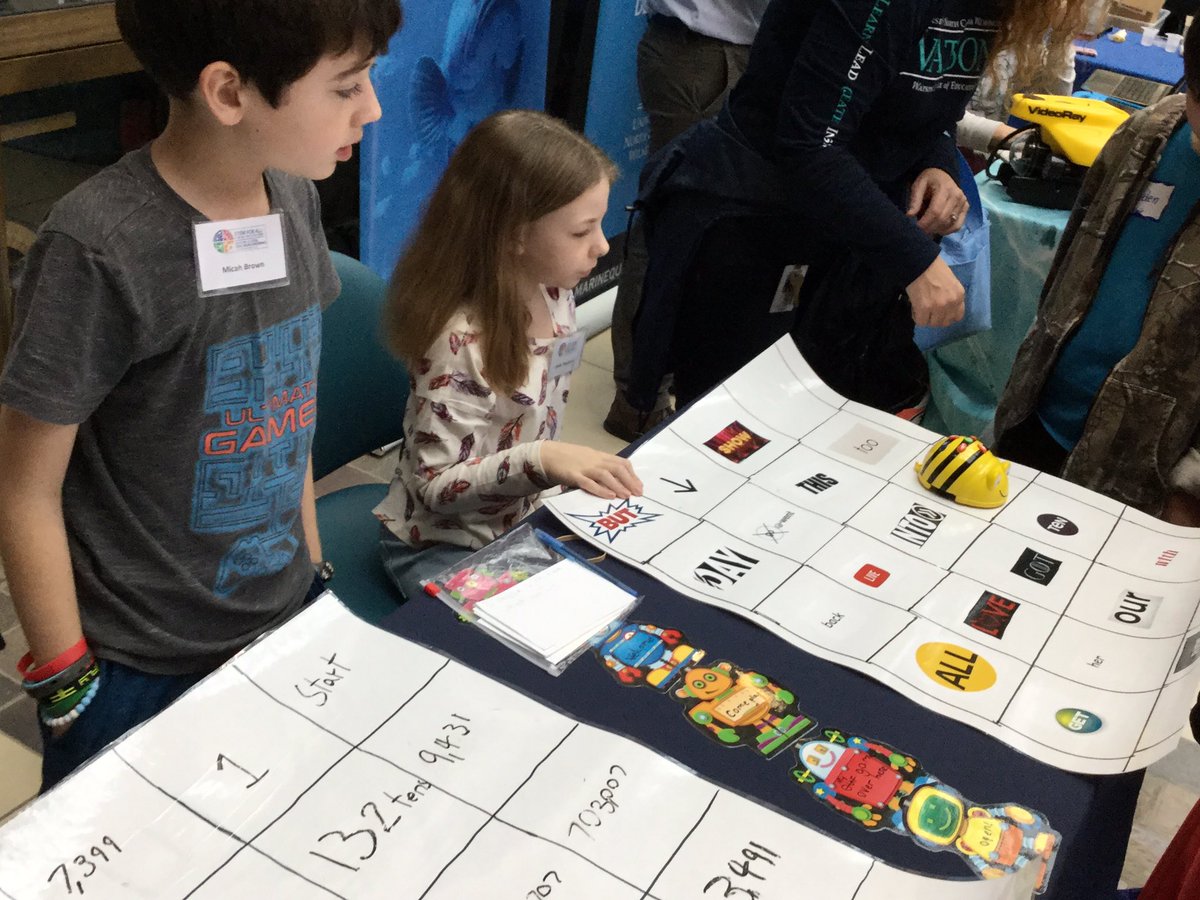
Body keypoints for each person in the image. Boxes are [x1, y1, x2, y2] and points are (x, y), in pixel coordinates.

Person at [0, 0, 401, 791]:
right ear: (228, 93)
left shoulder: (294, 196)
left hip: (283, 620)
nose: (373, 109)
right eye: (347, 87)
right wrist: (69, 682)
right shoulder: (98, 248)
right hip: (137, 669)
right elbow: (22, 486)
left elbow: (289, 408)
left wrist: (313, 578)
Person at [621, 0, 1091, 419]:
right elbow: (810, 144)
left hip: (844, 236)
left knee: (819, 422)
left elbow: (922, 104)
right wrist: (915, 260)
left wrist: (937, 161)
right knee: (733, 427)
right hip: (760, 220)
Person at [375, 111, 644, 601]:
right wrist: (541, 460)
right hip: (440, 544)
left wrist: (549, 471)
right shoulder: (457, 344)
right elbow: (435, 488)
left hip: (517, 517)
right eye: (581, 232)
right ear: (515, 235)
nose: (602, 247)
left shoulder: (555, 291)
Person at [993, 19, 1200, 525]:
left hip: (1154, 481)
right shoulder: (1149, 132)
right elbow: (1073, 263)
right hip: (1040, 421)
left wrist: (1193, 484)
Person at [603, 0, 769, 441]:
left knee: (712, 226)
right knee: (671, 222)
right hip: (705, 53)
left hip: (728, 50)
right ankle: (637, 398)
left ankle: (662, 378)